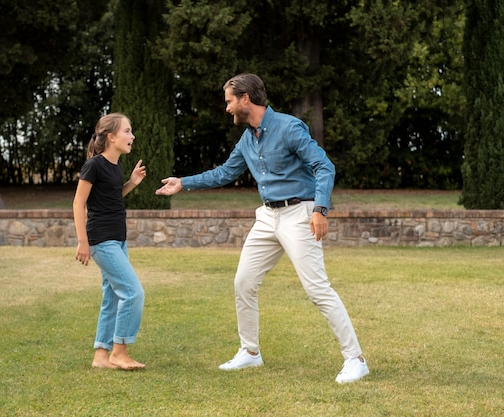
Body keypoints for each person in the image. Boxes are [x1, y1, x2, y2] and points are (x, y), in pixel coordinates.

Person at [155, 73, 369, 383]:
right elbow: (224, 173)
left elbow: (324, 166)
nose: (227, 108)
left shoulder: (288, 127)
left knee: (316, 289)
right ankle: (250, 353)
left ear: (245, 99)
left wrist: (320, 209)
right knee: (243, 282)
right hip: (268, 217)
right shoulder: (247, 139)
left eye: (229, 101)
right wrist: (183, 183)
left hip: (300, 213)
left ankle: (356, 359)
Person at [73, 112, 147, 370]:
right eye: (127, 131)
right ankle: (119, 351)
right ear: (111, 137)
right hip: (101, 240)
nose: (132, 136)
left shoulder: (115, 166)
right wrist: (83, 241)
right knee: (133, 292)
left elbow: (111, 196)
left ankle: (101, 356)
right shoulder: (93, 165)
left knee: (113, 297)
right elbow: (79, 202)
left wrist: (131, 183)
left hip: (118, 240)